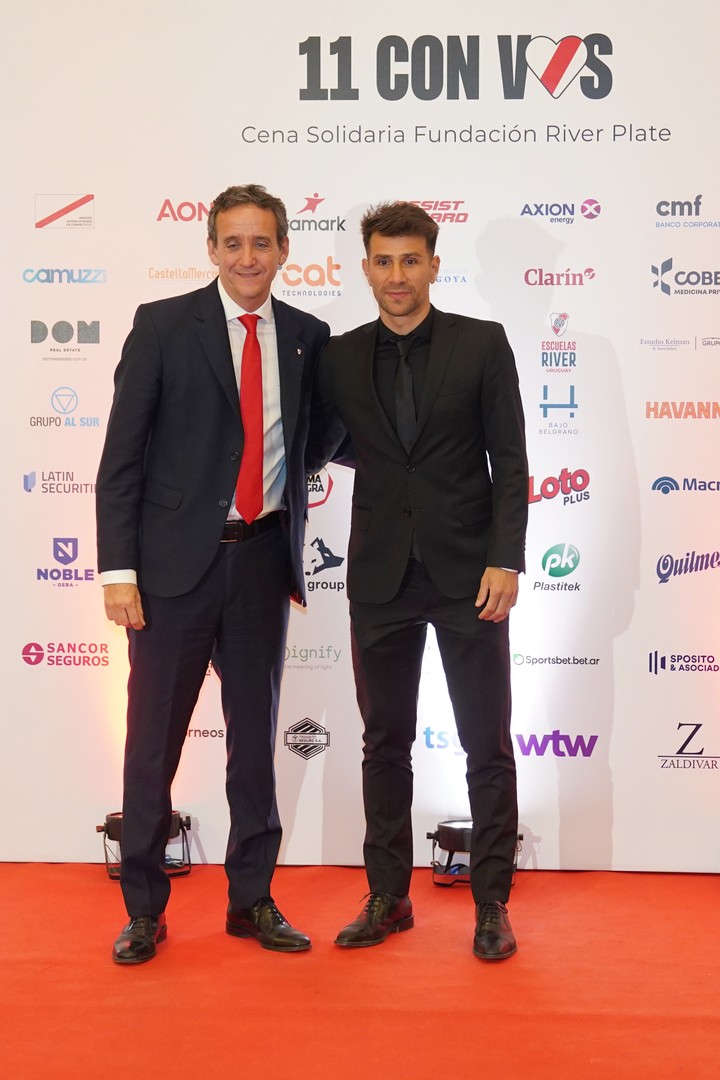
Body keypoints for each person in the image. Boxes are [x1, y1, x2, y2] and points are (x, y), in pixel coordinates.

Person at [96, 184, 332, 964]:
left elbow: (319, 439)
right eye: (232, 243)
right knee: (151, 744)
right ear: (210, 250)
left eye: (261, 243)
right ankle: (142, 908)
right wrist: (119, 571)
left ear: (284, 250)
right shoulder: (163, 327)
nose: (247, 258)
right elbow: (121, 461)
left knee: (254, 743)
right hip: (169, 572)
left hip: (262, 563)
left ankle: (252, 899)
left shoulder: (307, 336)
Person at [317, 202, 528, 960]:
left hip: (470, 572)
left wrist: (507, 558)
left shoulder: (481, 344)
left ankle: (493, 904)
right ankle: (387, 896)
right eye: (383, 261)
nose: (397, 275)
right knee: (383, 743)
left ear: (434, 265)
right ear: (365, 266)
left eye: (411, 261)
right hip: (378, 573)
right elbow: (329, 445)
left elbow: (511, 458)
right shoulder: (338, 358)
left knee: (486, 743)